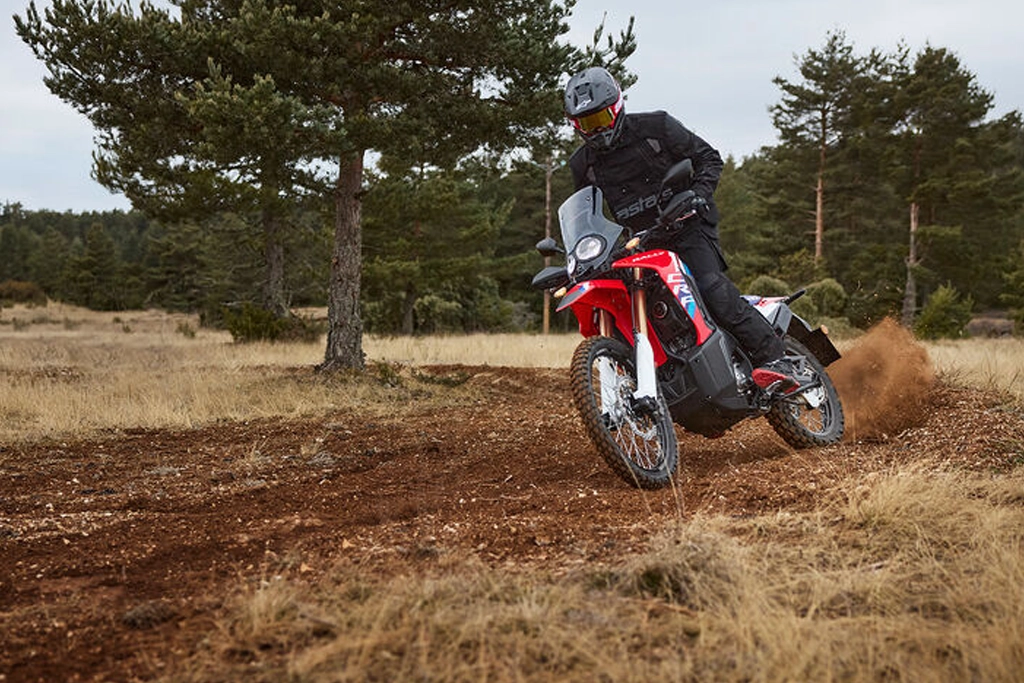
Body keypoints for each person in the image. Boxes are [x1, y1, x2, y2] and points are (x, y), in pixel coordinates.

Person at [563, 66, 796, 391]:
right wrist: (579, 255)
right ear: (576, 125)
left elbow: (709, 159)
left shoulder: (655, 127)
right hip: (638, 244)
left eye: (601, 118)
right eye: (588, 123)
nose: (597, 129)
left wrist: (698, 196)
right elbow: (584, 214)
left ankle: (775, 359)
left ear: (616, 107)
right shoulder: (582, 163)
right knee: (621, 307)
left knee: (709, 287)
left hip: (686, 225)